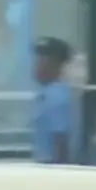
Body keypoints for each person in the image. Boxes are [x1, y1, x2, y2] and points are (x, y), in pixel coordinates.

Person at [31, 36, 75, 164]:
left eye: (42, 61)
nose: (36, 66)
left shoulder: (58, 97)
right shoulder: (46, 93)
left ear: (56, 65)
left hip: (50, 168)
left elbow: (61, 142)